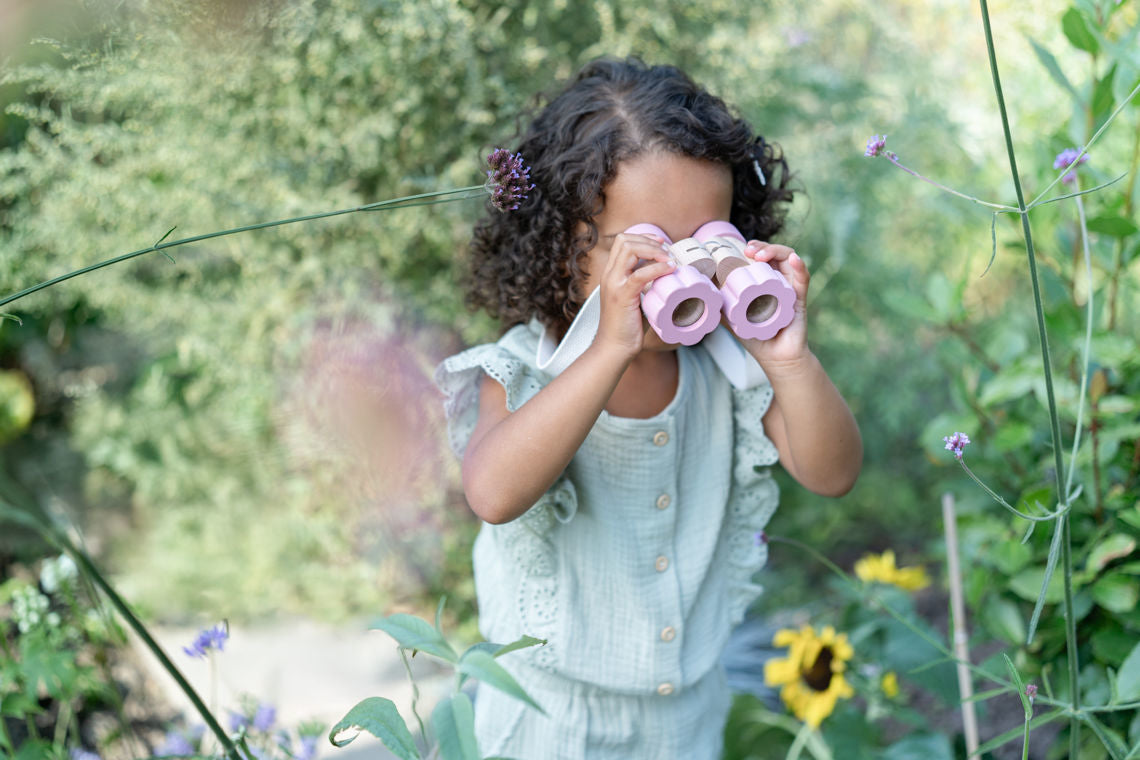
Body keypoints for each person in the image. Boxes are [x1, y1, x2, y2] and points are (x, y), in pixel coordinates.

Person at [434, 57, 862, 760]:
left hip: (686, 721)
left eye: (709, 244)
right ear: (573, 251)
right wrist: (607, 348)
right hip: (549, 722)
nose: (685, 275)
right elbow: (493, 492)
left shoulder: (729, 367)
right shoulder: (523, 371)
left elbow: (832, 472)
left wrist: (788, 360)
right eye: (653, 251)